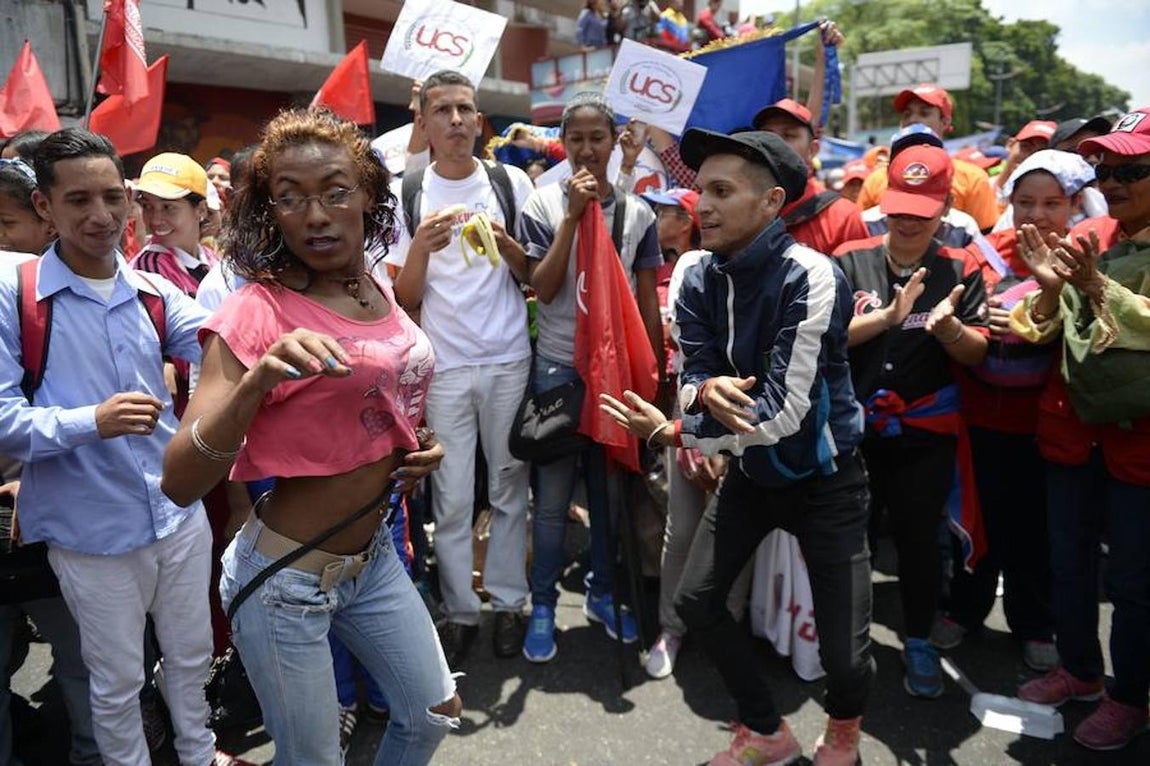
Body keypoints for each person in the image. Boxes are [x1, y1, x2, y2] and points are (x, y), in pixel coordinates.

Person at [161, 108, 460, 765]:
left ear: (368, 196)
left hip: (372, 554)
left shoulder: (375, 283)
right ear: (270, 215)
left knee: (433, 711)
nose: (316, 214)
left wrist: (418, 446)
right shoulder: (253, 312)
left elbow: (380, 397)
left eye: (334, 190)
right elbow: (179, 480)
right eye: (290, 198)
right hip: (285, 579)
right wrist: (256, 381)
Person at [601, 128, 873, 765]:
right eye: (701, 191)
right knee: (696, 605)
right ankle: (767, 732)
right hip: (750, 477)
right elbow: (690, 370)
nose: (705, 206)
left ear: (772, 202)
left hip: (827, 479)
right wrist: (700, 394)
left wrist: (675, 428)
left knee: (844, 653)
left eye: (723, 192)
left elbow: (783, 414)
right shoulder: (694, 268)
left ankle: (843, 737)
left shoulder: (813, 276)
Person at [0, 128, 245, 766]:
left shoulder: (158, 294)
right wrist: (91, 421)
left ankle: (198, 755)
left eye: (114, 197)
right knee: (116, 685)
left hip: (177, 517)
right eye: (79, 200)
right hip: (91, 534)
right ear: (45, 209)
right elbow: (2, 423)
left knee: (190, 660)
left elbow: (233, 349)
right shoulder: (13, 297)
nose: (102, 216)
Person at [1009, 107, 1150, 752]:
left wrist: (1096, 289)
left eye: (1133, 170)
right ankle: (1081, 671)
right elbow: (1035, 328)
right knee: (1066, 564)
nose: (1114, 180)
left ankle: (1130, 697)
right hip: (1070, 432)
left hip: (1138, 445)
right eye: (1107, 168)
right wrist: (1045, 291)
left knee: (1132, 582)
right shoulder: (1090, 228)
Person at [387, 69, 535, 667]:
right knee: (449, 499)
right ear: (422, 123)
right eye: (442, 109)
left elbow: (535, 276)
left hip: (508, 358)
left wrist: (510, 246)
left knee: (508, 489)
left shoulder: (510, 182)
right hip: (443, 366)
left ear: (479, 120)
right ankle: (460, 610)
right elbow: (405, 298)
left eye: (465, 109)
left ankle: (506, 602)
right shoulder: (408, 191)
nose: (455, 120)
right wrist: (420, 245)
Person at [834, 144, 990, 699]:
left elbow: (976, 354)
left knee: (919, 542)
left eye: (921, 212)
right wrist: (886, 319)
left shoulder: (962, 265)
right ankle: (847, 644)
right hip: (854, 428)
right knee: (853, 541)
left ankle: (919, 638)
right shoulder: (849, 258)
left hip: (925, 431)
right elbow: (824, 336)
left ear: (944, 208)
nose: (906, 222)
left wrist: (949, 331)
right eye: (898, 207)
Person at [518, 92, 663, 663]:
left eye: (595, 139)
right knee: (551, 502)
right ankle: (544, 606)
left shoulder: (639, 214)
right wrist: (573, 218)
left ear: (613, 142)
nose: (584, 150)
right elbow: (544, 286)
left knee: (608, 498)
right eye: (573, 139)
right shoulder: (542, 205)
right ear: (564, 144)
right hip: (556, 368)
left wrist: (651, 376)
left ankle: (603, 593)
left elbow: (646, 300)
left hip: (614, 374)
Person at [936, 150, 1096, 671]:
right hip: (979, 418)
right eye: (1026, 201)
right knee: (977, 524)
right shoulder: (984, 252)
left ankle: (1035, 623)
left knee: (1037, 532)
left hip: (1051, 425)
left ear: (1073, 204)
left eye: (1052, 202)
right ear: (1008, 201)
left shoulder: (1088, 258)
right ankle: (963, 609)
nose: (1038, 214)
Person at [0, 154, 100, 766]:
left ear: (44, 219)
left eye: (5, 224)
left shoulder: (76, 301)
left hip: (59, 523)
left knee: (90, 666)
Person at [856, 84, 1000, 231]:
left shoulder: (973, 179)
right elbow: (861, 234)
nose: (913, 119)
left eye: (924, 113)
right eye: (907, 114)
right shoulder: (875, 180)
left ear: (945, 122)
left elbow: (985, 240)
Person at [751, 97, 868, 254]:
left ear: (812, 150)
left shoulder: (842, 217)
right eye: (768, 135)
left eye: (788, 135)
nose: (775, 143)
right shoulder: (740, 207)